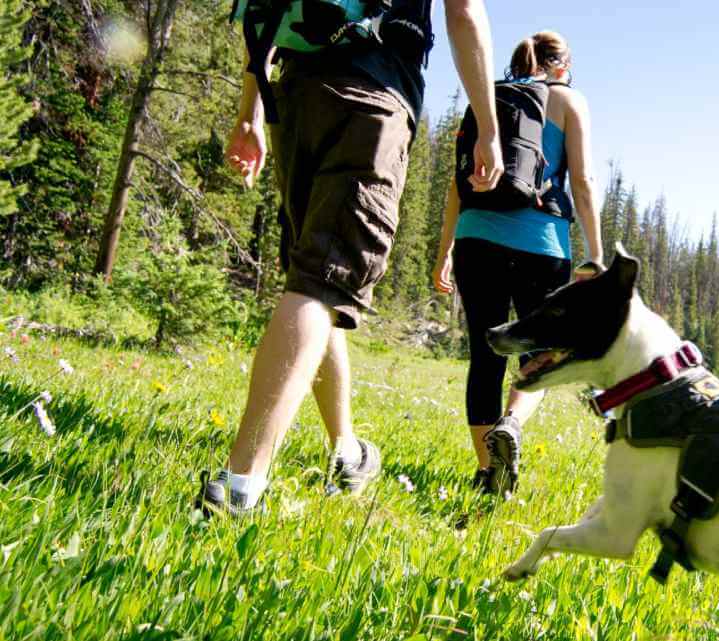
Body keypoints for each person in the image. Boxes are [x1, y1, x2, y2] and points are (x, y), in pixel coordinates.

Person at [196, 0, 504, 516]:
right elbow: (464, 11)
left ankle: (346, 451)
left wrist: (249, 108)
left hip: (296, 91)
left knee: (316, 285)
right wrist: (488, 129)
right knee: (320, 286)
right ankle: (238, 486)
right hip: (373, 91)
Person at [433, 31, 603, 496]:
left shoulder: (486, 97)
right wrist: (596, 254)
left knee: (485, 356)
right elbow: (583, 181)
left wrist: (445, 248)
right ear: (562, 66)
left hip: (475, 238)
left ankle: (489, 471)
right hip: (542, 243)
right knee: (541, 358)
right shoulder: (568, 101)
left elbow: (457, 182)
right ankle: (512, 422)